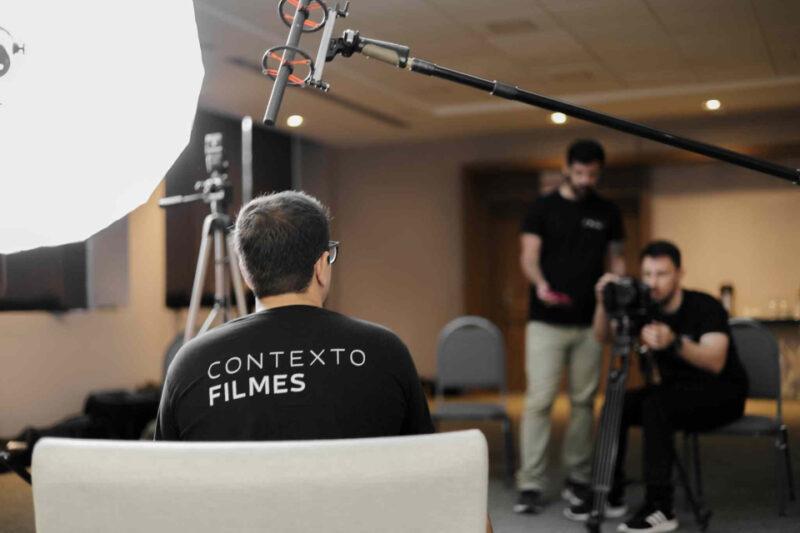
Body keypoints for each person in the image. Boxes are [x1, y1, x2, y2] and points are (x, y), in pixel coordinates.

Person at [155, 190, 434, 441]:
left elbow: (166, 481)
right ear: (321, 267)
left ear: (245, 273)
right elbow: (427, 469)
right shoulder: (385, 353)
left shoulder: (191, 364)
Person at [566, 240, 748, 532]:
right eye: (648, 274)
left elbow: (715, 361)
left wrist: (674, 342)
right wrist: (604, 302)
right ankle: (608, 494)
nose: (653, 282)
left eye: (662, 274)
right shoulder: (645, 307)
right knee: (618, 403)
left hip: (722, 393)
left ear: (679, 273)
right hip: (673, 392)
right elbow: (603, 336)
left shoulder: (705, 306)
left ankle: (660, 507)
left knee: (656, 406)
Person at [515, 139, 626, 513]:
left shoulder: (607, 211)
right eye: (579, 172)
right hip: (546, 322)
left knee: (583, 401)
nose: (585, 179)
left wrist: (616, 289)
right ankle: (530, 482)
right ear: (566, 167)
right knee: (540, 401)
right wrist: (541, 284)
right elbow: (528, 257)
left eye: (592, 174)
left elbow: (616, 261)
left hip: (590, 323)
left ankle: (577, 477)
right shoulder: (542, 208)